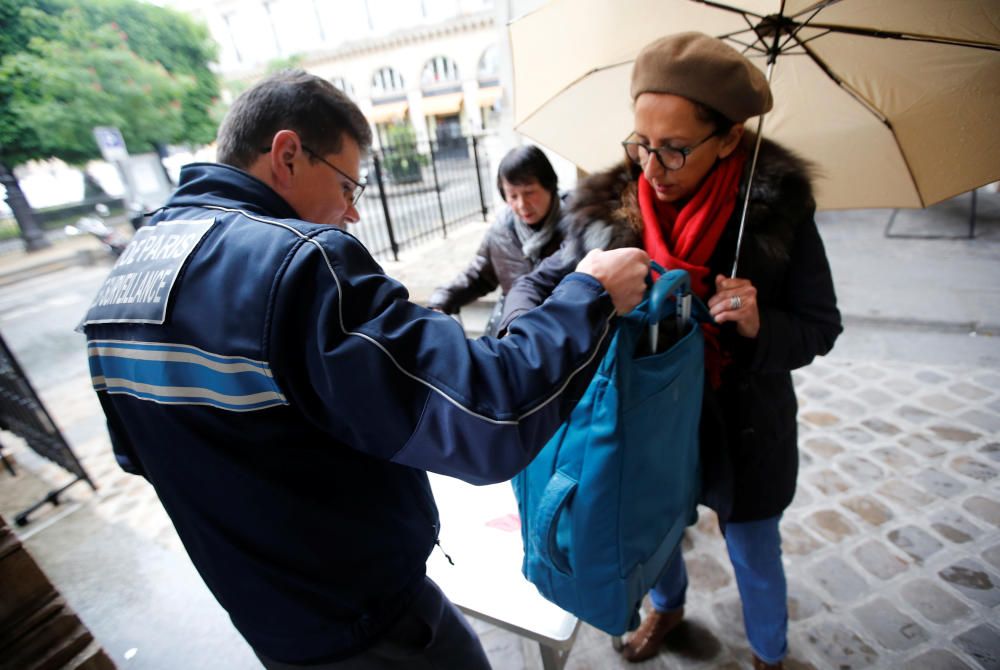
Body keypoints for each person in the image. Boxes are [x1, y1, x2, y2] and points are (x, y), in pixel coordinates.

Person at [78, 69, 651, 669]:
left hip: (273, 626)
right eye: (348, 184)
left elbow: (144, 458)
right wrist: (590, 295)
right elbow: (488, 414)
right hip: (377, 625)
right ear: (288, 154)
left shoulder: (123, 285)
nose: (351, 212)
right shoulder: (295, 263)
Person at [498, 33, 843, 669]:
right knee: (653, 537)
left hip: (743, 430)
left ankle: (769, 653)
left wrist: (761, 325)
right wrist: (522, 332)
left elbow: (821, 326)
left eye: (675, 150)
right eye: (642, 144)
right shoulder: (610, 206)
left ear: (730, 139)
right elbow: (539, 282)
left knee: (752, 551)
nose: (651, 170)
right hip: (646, 420)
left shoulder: (774, 214)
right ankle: (669, 607)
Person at [428, 145, 566, 336]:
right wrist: (442, 299)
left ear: (549, 185)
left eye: (529, 192)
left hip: (564, 336)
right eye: (513, 195)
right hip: (517, 336)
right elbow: (478, 275)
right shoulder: (501, 232)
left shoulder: (577, 228)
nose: (522, 205)